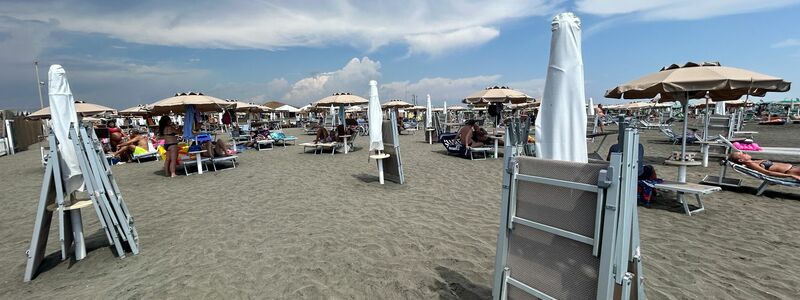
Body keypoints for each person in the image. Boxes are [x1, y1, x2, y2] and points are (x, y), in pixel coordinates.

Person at [729, 152, 800, 181]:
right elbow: (767, 173)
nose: (745, 153)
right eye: (743, 154)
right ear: (741, 160)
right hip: (791, 171)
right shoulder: (751, 164)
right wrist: (790, 176)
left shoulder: (753, 162)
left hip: (794, 168)